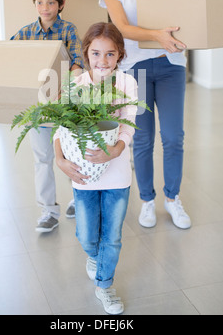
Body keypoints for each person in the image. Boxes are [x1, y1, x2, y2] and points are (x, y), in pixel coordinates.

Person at [98, 0, 191, 230]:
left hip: (170, 63)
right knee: (143, 139)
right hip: (135, 67)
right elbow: (123, 28)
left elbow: (187, 9)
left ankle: (173, 199)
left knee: (174, 137)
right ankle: (148, 201)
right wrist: (157, 35)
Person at [54, 22, 138, 315]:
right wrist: (60, 160)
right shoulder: (75, 86)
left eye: (110, 54)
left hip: (117, 174)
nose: (103, 61)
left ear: (120, 55)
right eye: (96, 53)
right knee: (87, 235)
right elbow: (60, 131)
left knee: (112, 236)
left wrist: (116, 149)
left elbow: (130, 122)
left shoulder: (127, 83)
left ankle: (105, 285)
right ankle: (94, 256)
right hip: (83, 173)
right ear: (86, 53)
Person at [8, 0, 84, 232]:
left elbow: (77, 61)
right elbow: (5, 60)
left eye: (50, 2)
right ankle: (48, 211)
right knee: (42, 158)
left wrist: (72, 78)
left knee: (74, 152)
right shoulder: (25, 33)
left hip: (65, 104)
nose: (45, 7)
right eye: (40, 2)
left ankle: (78, 198)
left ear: (61, 4)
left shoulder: (68, 30)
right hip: (39, 108)